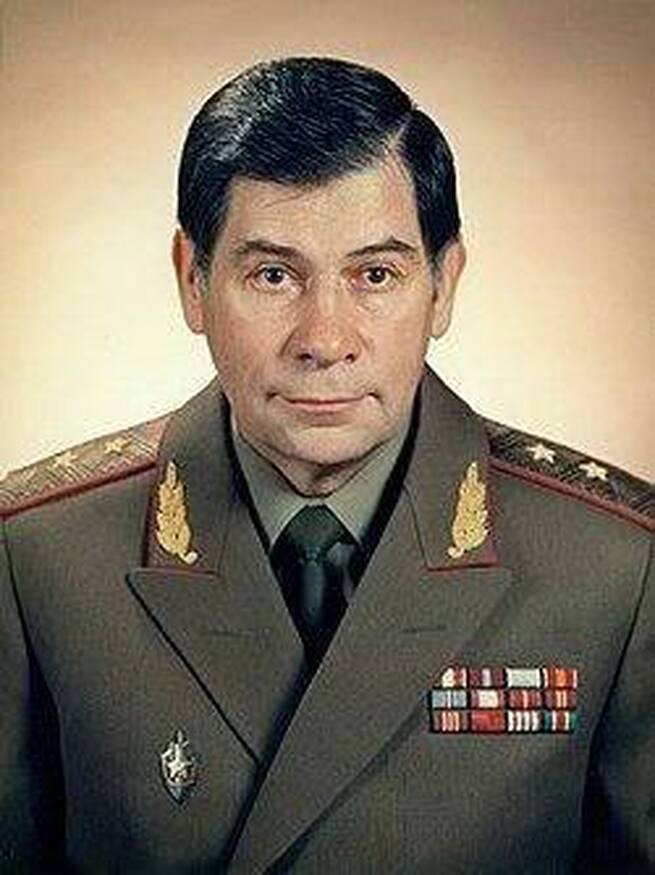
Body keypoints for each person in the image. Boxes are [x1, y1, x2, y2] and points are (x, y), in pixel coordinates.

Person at [0, 56, 652, 875]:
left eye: (374, 274)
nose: (324, 338)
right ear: (192, 281)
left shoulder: (615, 570)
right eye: (273, 275)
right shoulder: (38, 559)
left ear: (443, 284)